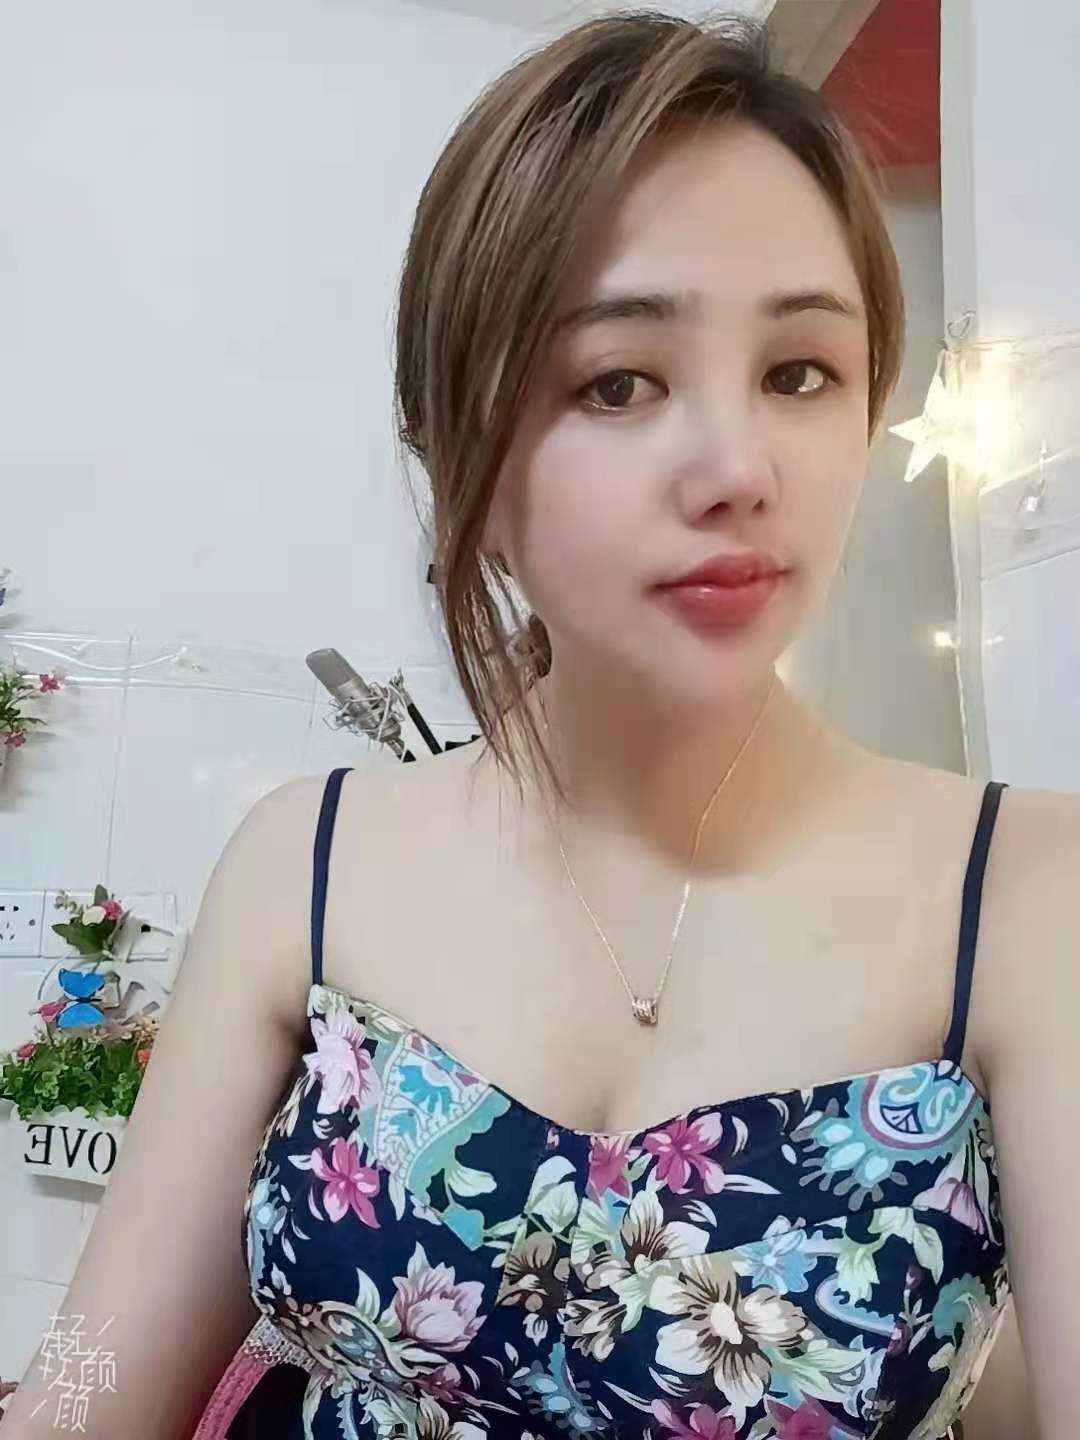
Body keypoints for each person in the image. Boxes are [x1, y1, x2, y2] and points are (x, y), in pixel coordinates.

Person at [3, 10, 1074, 1439]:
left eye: (799, 373)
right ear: (462, 453)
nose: (740, 467)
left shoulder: (1028, 899)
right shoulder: (308, 861)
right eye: (618, 382)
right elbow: (88, 1384)